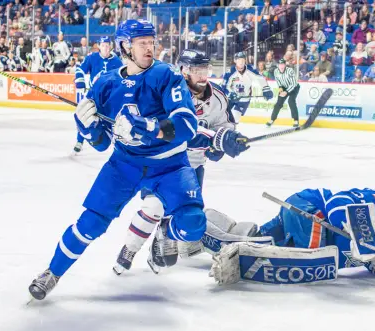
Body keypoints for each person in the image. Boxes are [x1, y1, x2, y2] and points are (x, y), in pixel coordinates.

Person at [27, 19, 250, 301]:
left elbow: (186, 124)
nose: (150, 48)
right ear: (124, 46)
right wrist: (89, 128)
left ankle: (166, 229)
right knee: (89, 224)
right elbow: (102, 144)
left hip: (170, 165)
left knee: (193, 223)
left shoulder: (166, 75)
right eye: (142, 43)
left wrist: (151, 127)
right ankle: (52, 272)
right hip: (123, 166)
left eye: (151, 42)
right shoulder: (105, 84)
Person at [112, 48, 247, 275]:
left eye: (206, 70)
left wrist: (226, 142)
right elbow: (176, 133)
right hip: (163, 162)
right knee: (153, 207)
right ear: (184, 71)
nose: (203, 75)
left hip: (193, 167)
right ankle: (129, 248)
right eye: (197, 70)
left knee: (184, 215)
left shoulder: (218, 97)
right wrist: (214, 139)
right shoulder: (167, 92)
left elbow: (225, 126)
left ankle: (163, 233)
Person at [209, 187, 375, 285]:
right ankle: (245, 259)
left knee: (258, 239)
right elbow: (336, 202)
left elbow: (369, 257)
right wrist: (354, 228)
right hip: (308, 207)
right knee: (312, 253)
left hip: (301, 224)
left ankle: (208, 232)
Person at [73, 36, 123, 153]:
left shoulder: (117, 61)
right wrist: (80, 81)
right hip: (94, 94)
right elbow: (80, 69)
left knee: (113, 119)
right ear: (99, 46)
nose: (105, 48)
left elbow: (122, 77)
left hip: (110, 97)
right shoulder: (92, 57)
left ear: (110, 46)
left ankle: (117, 143)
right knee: (85, 116)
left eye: (107, 45)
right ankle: (80, 141)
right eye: (103, 45)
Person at [221, 52, 274, 123]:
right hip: (232, 98)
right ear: (235, 61)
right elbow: (224, 87)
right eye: (239, 60)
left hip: (244, 100)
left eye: (243, 60)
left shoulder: (250, 69)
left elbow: (260, 78)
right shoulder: (230, 72)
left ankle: (231, 132)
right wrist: (230, 94)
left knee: (236, 118)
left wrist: (266, 89)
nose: (241, 62)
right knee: (223, 116)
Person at [268, 58, 300, 127]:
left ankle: (296, 120)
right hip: (284, 87)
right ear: (278, 65)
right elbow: (278, 80)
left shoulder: (290, 71)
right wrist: (280, 87)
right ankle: (272, 119)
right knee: (278, 103)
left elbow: (293, 84)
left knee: (291, 101)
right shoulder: (276, 71)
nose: (281, 66)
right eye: (280, 64)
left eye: (283, 64)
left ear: (285, 65)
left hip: (294, 88)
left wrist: (286, 92)